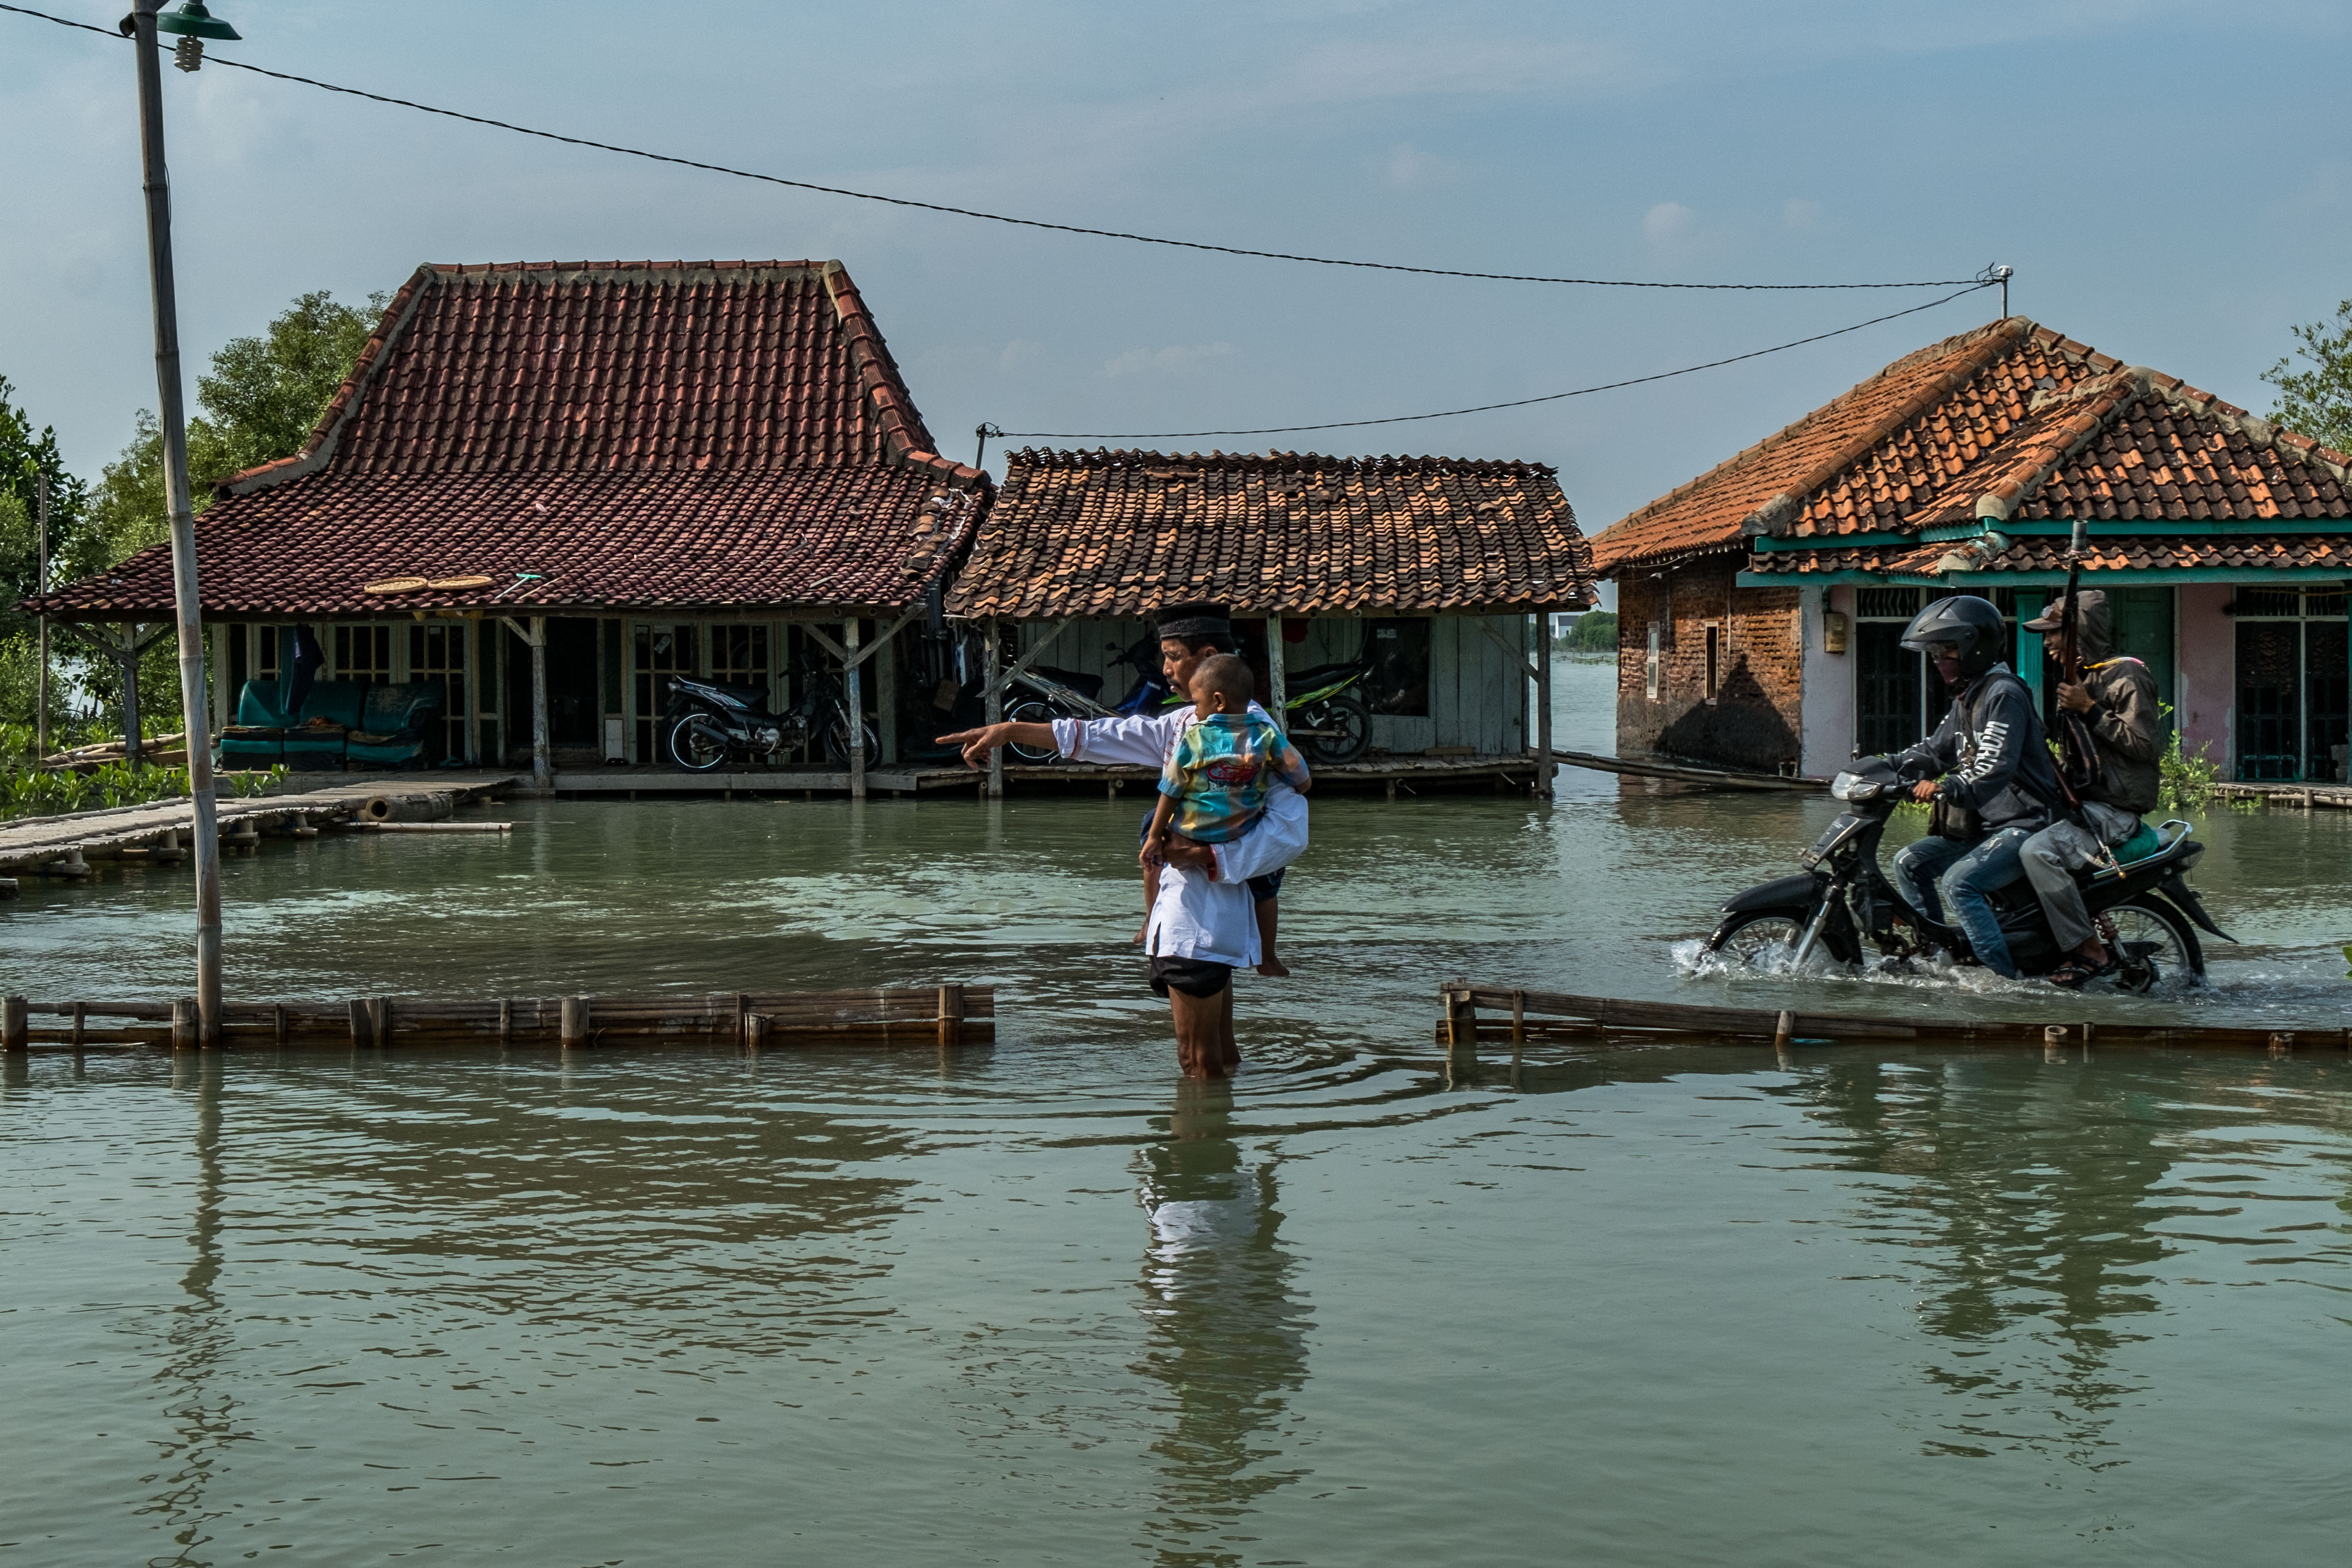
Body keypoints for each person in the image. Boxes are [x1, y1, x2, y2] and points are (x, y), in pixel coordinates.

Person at [938, 603, 1307, 1079]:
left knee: (1195, 1062)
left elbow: (1289, 830)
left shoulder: (1254, 738)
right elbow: (1102, 735)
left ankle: (1200, 1126)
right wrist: (1009, 730)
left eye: (1173, 656)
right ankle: (1223, 1120)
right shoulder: (1186, 724)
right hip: (1201, 921)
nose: (1166, 669)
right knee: (1220, 1056)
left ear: (1208, 657)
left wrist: (1205, 854)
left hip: (1199, 922)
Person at [1889, 594, 2062, 979]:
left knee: (1959, 883)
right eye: (1935, 652)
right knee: (1909, 863)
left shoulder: (2004, 694)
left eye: (1946, 650)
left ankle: (1999, 981)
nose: (1939, 660)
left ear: (1974, 646)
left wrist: (1944, 787)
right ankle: (1937, 958)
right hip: (1987, 827)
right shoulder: (1969, 696)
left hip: (2026, 824)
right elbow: (1934, 751)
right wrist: (1884, 766)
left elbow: (1994, 767)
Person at [2015, 590, 2164, 988]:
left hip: (2115, 809)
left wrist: (2090, 709)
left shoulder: (2127, 676)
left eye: (2054, 634)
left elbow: (2146, 745)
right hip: (2084, 803)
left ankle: (2087, 948)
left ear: (2079, 633)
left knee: (2037, 852)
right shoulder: (2083, 678)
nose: (2047, 643)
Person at [1141, 654, 1312, 873]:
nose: (1195, 711)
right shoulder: (1266, 734)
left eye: (1197, 703)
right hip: (1241, 831)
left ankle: (1156, 884)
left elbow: (1171, 789)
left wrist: (1155, 836)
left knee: (1150, 821)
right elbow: (1302, 778)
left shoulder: (1196, 737)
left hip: (1195, 833)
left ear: (1219, 702)